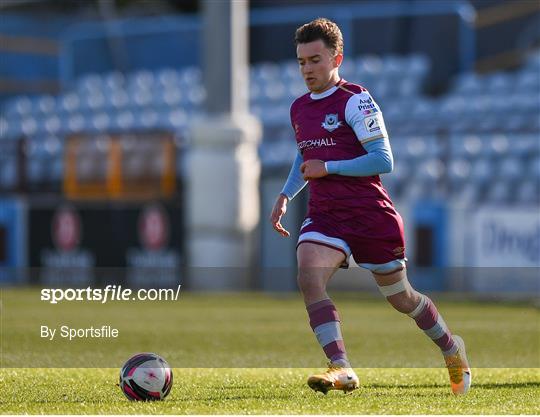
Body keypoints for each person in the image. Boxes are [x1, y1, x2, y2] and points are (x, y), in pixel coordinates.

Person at [270, 18, 471, 395]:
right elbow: (305, 158)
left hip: (370, 216)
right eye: (301, 62)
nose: (307, 69)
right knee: (309, 275)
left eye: (315, 60)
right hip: (326, 214)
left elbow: (383, 159)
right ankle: (341, 367)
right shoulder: (299, 109)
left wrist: (329, 168)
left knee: (402, 298)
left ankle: (450, 346)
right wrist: (285, 195)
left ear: (336, 58)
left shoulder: (356, 100)